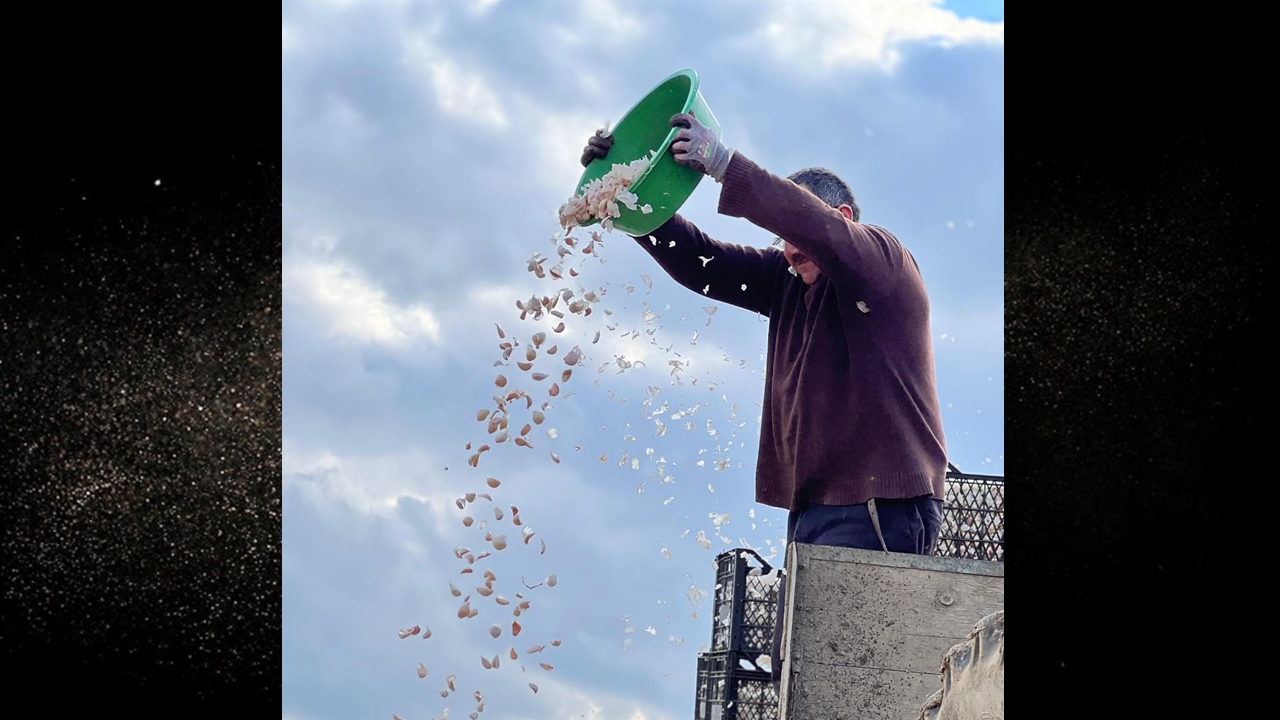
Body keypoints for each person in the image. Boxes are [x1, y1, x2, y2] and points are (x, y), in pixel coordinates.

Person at [579, 114, 948, 686]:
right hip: (816, 506)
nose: (788, 251)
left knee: (845, 673)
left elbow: (813, 225)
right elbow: (700, 262)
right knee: (801, 670)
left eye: (794, 237)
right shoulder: (786, 281)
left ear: (841, 219)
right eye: (780, 242)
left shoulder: (884, 264)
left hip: (882, 501)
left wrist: (724, 165)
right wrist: (621, 196)